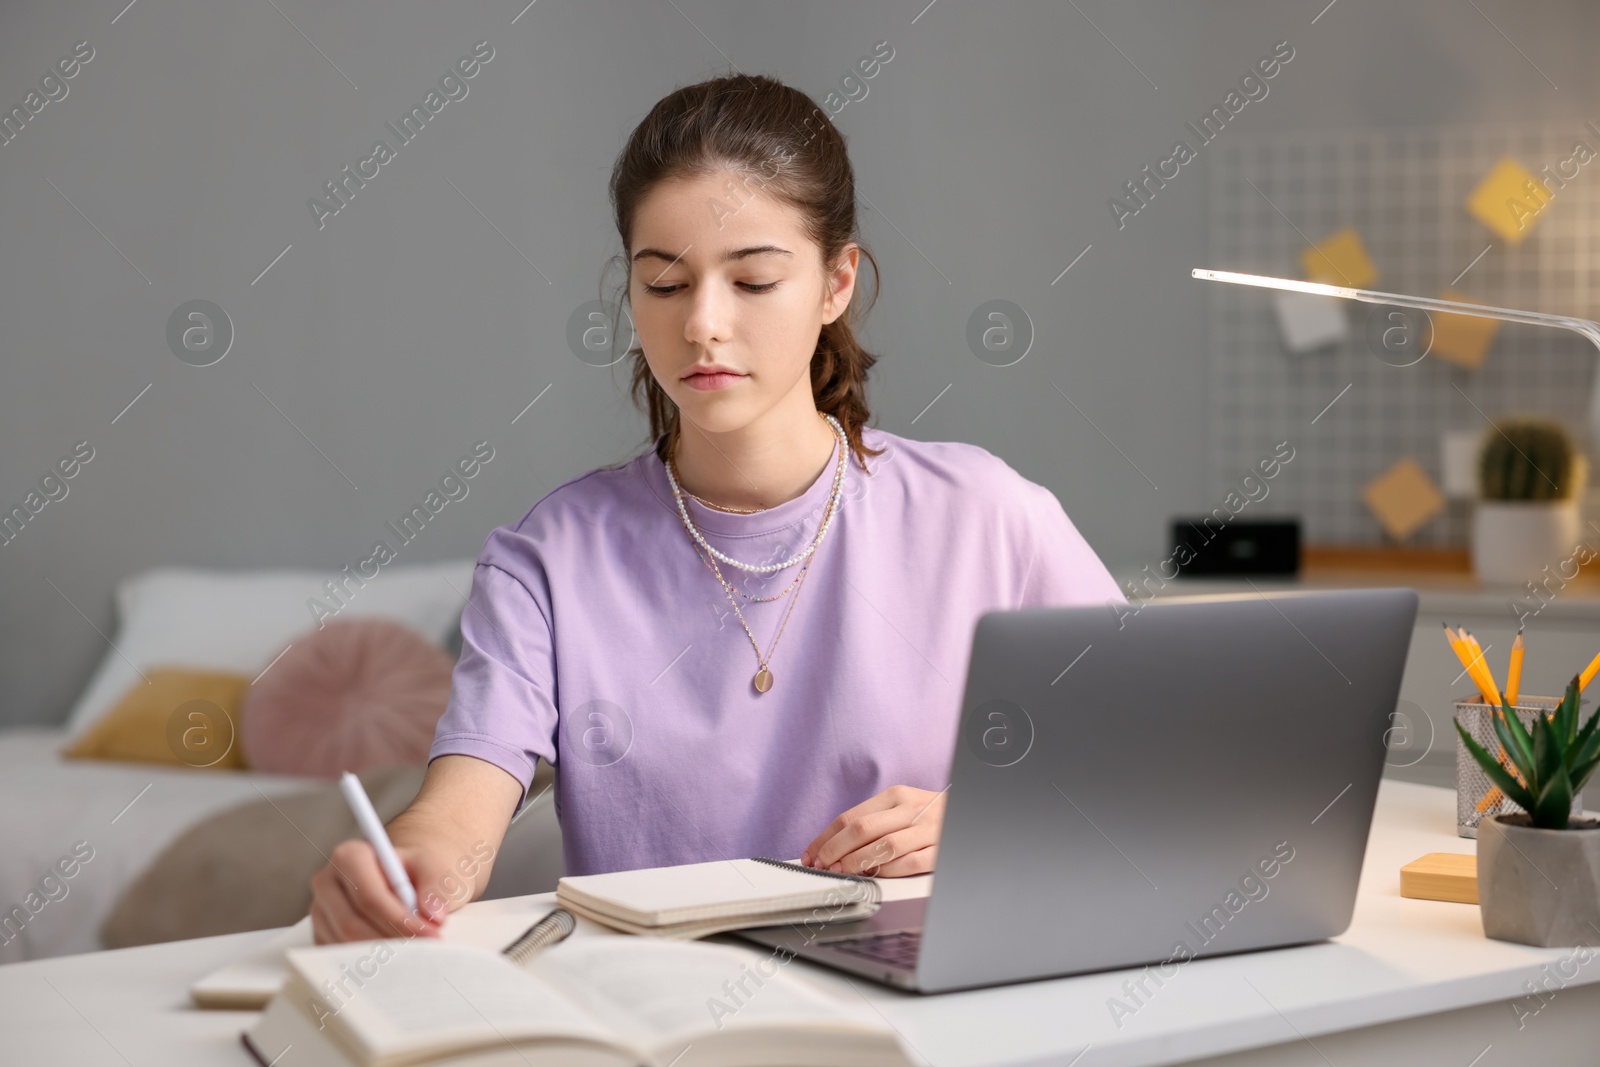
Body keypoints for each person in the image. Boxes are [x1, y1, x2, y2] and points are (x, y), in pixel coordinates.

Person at [309, 73, 1123, 944]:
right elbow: (458, 818)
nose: (702, 323)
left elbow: (1147, 752)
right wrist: (408, 875)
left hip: (917, 1004)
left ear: (836, 282)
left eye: (754, 280)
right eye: (664, 284)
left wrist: (988, 817)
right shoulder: (549, 558)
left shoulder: (986, 516)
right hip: (654, 1017)